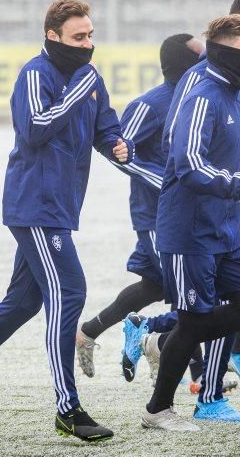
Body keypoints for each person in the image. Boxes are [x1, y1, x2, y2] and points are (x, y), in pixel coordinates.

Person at [0, 0, 132, 442]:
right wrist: (78, 88)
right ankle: (68, 410)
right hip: (35, 205)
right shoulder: (35, 75)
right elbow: (35, 128)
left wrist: (120, 145)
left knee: (24, 301)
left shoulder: (89, 77)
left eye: (91, 35)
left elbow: (106, 128)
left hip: (59, 205)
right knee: (70, 291)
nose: (88, 45)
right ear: (52, 36)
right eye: (79, 37)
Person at [140, 14, 240, 432]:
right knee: (194, 321)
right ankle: (157, 410)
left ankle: (164, 336)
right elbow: (187, 162)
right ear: (227, 50)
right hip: (190, 231)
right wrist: (239, 184)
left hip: (229, 228)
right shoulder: (203, 93)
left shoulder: (235, 89)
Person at [75, 33, 202, 377]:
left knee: (155, 286)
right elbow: (119, 153)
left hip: (190, 213)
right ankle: (203, 382)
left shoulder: (200, 98)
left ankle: (88, 332)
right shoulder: (150, 104)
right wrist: (166, 181)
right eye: (199, 53)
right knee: (187, 292)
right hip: (157, 217)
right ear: (181, 61)